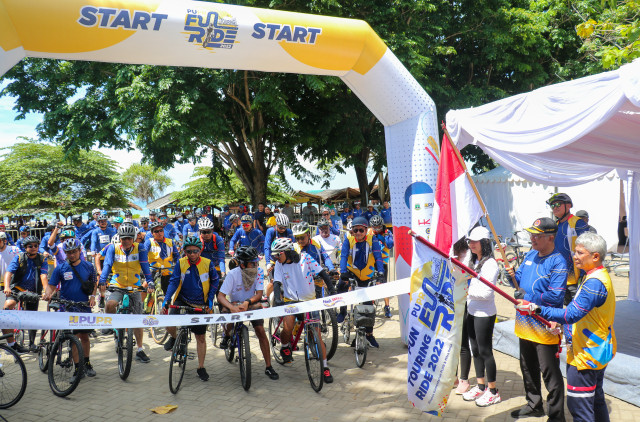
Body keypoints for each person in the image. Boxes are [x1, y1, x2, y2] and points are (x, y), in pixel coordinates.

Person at [516, 232, 615, 422]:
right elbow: (578, 315)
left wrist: (535, 308)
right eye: (575, 252)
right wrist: (561, 325)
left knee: (580, 407)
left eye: (579, 253)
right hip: (595, 350)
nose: (574, 256)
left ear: (595, 256)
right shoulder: (594, 277)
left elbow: (571, 314)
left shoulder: (594, 283)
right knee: (596, 401)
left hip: (586, 354)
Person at [506, 217, 567, 421]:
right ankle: (534, 405)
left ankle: (556, 415)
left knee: (550, 373)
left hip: (544, 325)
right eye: (531, 234)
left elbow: (555, 296)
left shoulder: (558, 261)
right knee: (527, 368)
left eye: (537, 236)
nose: (532, 239)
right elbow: (519, 281)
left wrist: (528, 297)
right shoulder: (531, 254)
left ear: (551, 238)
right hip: (524, 323)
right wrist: (511, 275)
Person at [270, 237, 334, 383]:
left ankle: (325, 368)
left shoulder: (305, 258)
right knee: (288, 327)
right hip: (290, 301)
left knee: (317, 334)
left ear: (286, 252)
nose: (275, 258)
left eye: (277, 255)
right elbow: (277, 282)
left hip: (309, 301)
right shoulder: (279, 265)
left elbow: (322, 273)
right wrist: (278, 300)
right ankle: (285, 346)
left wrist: (331, 288)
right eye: (273, 255)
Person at [217, 246, 279, 380]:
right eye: (252, 263)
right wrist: (231, 307)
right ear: (242, 264)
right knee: (226, 312)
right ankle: (227, 335)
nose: (256, 265)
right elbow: (221, 297)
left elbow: (259, 294)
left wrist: (247, 302)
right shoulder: (233, 274)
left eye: (256, 262)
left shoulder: (259, 271)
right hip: (234, 304)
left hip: (250, 303)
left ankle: (269, 366)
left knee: (261, 332)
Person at [163, 236, 219, 381]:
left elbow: (215, 281)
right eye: (189, 252)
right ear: (185, 252)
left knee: (200, 337)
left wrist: (211, 300)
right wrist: (167, 299)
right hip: (183, 299)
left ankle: (201, 367)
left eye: (195, 251)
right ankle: (176, 338)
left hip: (201, 302)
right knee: (168, 322)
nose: (192, 254)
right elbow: (174, 281)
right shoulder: (181, 263)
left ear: (200, 251)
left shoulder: (208, 263)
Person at [43, 238, 97, 382]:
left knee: (85, 337)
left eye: (74, 252)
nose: (72, 255)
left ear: (79, 251)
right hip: (67, 307)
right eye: (69, 253)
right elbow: (52, 285)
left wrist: (92, 296)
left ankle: (87, 363)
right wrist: (47, 294)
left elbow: (93, 283)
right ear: (65, 253)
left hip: (84, 307)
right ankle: (78, 369)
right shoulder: (60, 268)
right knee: (74, 338)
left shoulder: (89, 266)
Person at [99, 225, 154, 364]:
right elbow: (107, 264)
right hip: (117, 285)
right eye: (124, 238)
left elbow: (145, 265)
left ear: (133, 238)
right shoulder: (113, 248)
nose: (126, 241)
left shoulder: (140, 248)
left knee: (138, 319)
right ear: (120, 238)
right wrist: (103, 280)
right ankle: (111, 325)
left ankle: (140, 350)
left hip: (134, 286)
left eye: (129, 238)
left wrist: (150, 281)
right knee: (110, 304)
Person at [459, 227, 501, 407]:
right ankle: (481, 385)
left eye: (475, 241)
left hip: (484, 313)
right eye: (470, 241)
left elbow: (485, 292)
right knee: (474, 350)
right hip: (471, 310)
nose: (471, 244)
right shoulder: (472, 259)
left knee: (485, 351)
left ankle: (493, 391)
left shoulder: (490, 263)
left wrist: (467, 286)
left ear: (484, 243)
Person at [338, 216, 384, 348]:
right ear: (351, 231)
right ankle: (341, 311)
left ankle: (368, 335)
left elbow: (378, 256)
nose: (358, 233)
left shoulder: (372, 239)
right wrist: (343, 272)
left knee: (368, 307)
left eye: (361, 230)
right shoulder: (348, 239)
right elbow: (344, 256)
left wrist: (380, 273)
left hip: (367, 276)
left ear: (366, 230)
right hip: (351, 272)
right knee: (341, 285)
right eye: (355, 230)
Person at [2, 235, 48, 353]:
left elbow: (43, 276)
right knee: (7, 308)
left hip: (33, 292)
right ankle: (11, 344)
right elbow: (9, 273)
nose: (33, 248)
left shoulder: (42, 259)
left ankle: (32, 343)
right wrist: (7, 287)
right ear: (25, 247)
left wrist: (47, 291)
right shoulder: (19, 258)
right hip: (17, 289)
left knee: (32, 317)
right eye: (30, 246)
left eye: (36, 246)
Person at [547, 193, 587, 305]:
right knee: (562, 310)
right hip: (559, 278)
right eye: (552, 205)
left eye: (558, 204)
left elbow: (587, 248)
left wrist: (584, 273)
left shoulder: (578, 223)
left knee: (579, 310)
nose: (555, 207)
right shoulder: (555, 225)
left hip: (577, 278)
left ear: (568, 205)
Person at [369, 215, 394, 318]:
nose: (376, 229)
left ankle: (387, 306)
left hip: (383, 261)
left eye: (378, 227)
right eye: (374, 227)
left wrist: (384, 236)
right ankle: (370, 305)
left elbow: (390, 245)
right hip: (371, 261)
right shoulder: (369, 232)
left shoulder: (386, 232)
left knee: (383, 284)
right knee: (370, 283)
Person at [144, 222, 178, 294]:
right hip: (153, 271)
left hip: (168, 271)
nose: (159, 233)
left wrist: (178, 267)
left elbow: (177, 257)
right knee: (144, 287)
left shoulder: (171, 242)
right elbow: (143, 256)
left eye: (161, 230)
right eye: (156, 231)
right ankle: (140, 304)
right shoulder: (148, 242)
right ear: (152, 233)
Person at [0, 232, 21, 306]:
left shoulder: (14, 250)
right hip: (0, 284)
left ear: (5, 241)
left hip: (13, 284)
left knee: (9, 307)